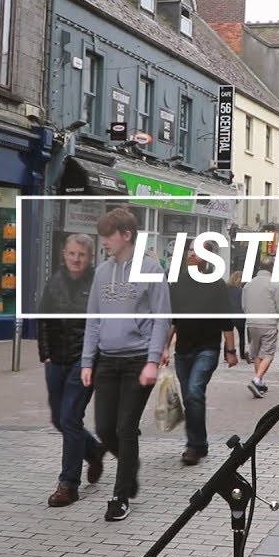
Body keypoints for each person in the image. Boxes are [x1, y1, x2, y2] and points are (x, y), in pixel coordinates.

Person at [80, 208, 171, 522]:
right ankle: (129, 467)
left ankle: (120, 497)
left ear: (127, 235)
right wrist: (87, 361)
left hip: (137, 360)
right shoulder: (102, 272)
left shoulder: (151, 269)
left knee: (125, 427)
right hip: (107, 360)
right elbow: (93, 319)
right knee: (104, 428)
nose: (104, 241)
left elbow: (161, 318)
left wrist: (152, 361)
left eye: (109, 235)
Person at [37, 234, 104, 508]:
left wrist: (93, 359)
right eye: (72, 254)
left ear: (91, 257)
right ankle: (94, 450)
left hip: (83, 360)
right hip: (56, 360)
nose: (76, 259)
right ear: (64, 254)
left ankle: (68, 485)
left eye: (82, 255)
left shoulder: (98, 284)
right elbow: (43, 319)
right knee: (59, 419)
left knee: (70, 418)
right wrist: (45, 353)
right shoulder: (54, 282)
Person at [163, 240, 238, 466]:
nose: (192, 254)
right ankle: (200, 442)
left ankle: (193, 446)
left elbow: (225, 320)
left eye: (198, 251)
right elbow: (173, 319)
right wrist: (164, 347)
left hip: (207, 348)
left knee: (195, 392)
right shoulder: (178, 283)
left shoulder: (216, 285)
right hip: (183, 350)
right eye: (191, 250)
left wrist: (231, 350)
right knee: (190, 398)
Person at [241, 259, 279, 397]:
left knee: (256, 353)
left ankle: (259, 383)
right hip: (268, 323)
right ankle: (256, 379)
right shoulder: (275, 284)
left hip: (252, 323)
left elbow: (243, 305)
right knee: (267, 354)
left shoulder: (248, 284)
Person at [227, 271, 248, 361]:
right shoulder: (241, 290)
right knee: (242, 335)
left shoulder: (226, 289)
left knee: (228, 334)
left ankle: (226, 355)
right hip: (240, 315)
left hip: (229, 315)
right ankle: (242, 354)